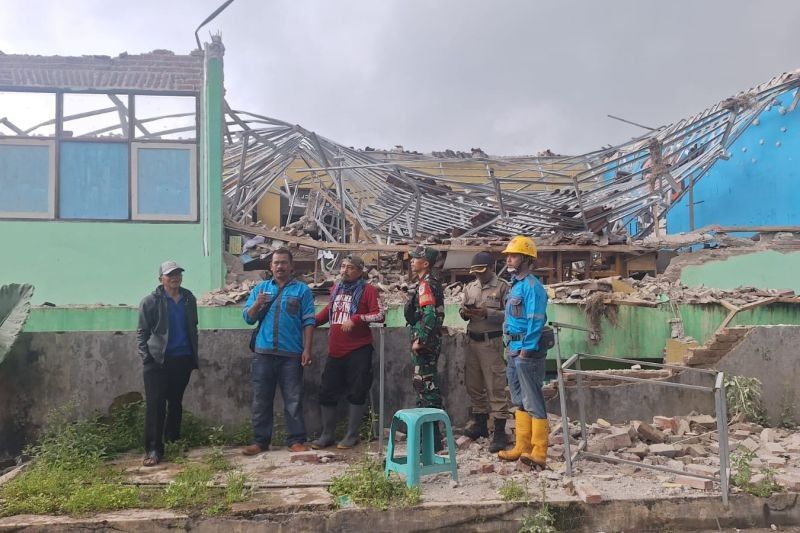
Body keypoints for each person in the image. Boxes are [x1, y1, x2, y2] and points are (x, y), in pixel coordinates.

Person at [241, 247, 316, 455]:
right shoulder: (261, 289)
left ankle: (296, 440)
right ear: (270, 266)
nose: (280, 266)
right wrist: (257, 303)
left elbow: (308, 321)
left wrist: (307, 349)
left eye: (284, 262)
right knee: (261, 399)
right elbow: (248, 318)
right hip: (263, 353)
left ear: (291, 266)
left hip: (291, 354)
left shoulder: (302, 291)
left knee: (293, 399)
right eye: (276, 263)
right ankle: (260, 441)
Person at [312, 254, 385, 450]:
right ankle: (327, 434)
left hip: (358, 349)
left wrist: (357, 318)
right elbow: (330, 310)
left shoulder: (368, 290)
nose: (344, 270)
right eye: (343, 266)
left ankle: (352, 435)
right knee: (327, 391)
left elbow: (379, 314)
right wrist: (311, 321)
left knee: (357, 391)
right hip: (335, 350)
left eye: (350, 267)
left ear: (360, 272)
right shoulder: (337, 288)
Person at [137, 260, 199, 467]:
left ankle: (173, 440)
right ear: (161, 279)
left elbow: (193, 327)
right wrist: (147, 357)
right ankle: (154, 449)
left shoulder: (189, 299)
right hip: (157, 361)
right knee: (155, 405)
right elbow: (142, 333)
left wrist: (192, 355)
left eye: (178, 274)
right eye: (170, 274)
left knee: (175, 403)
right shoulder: (150, 301)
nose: (175, 278)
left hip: (182, 359)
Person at [497, 236, 551, 468]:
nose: (509, 258)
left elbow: (535, 321)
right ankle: (523, 447)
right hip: (513, 349)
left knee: (533, 401)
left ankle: (539, 452)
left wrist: (526, 351)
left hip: (526, 352)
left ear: (527, 259)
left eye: (514, 255)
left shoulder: (532, 287)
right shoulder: (515, 285)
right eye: (509, 255)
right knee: (519, 400)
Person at [459, 251, 511, 453]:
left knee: (495, 386)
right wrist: (465, 312)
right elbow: (463, 311)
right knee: (474, 384)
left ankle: (499, 432)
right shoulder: (470, 287)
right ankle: (480, 423)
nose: (479, 276)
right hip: (472, 341)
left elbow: (512, 315)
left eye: (482, 271)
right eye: (476, 272)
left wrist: (488, 313)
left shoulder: (503, 287)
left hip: (492, 342)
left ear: (491, 269)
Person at [404, 245, 446, 447]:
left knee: (426, 387)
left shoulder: (425, 285)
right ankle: (429, 438)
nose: (412, 261)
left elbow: (429, 314)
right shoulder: (429, 283)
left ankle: (431, 440)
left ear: (426, 263)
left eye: (416, 258)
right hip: (430, 342)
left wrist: (420, 339)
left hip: (425, 344)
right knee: (425, 387)